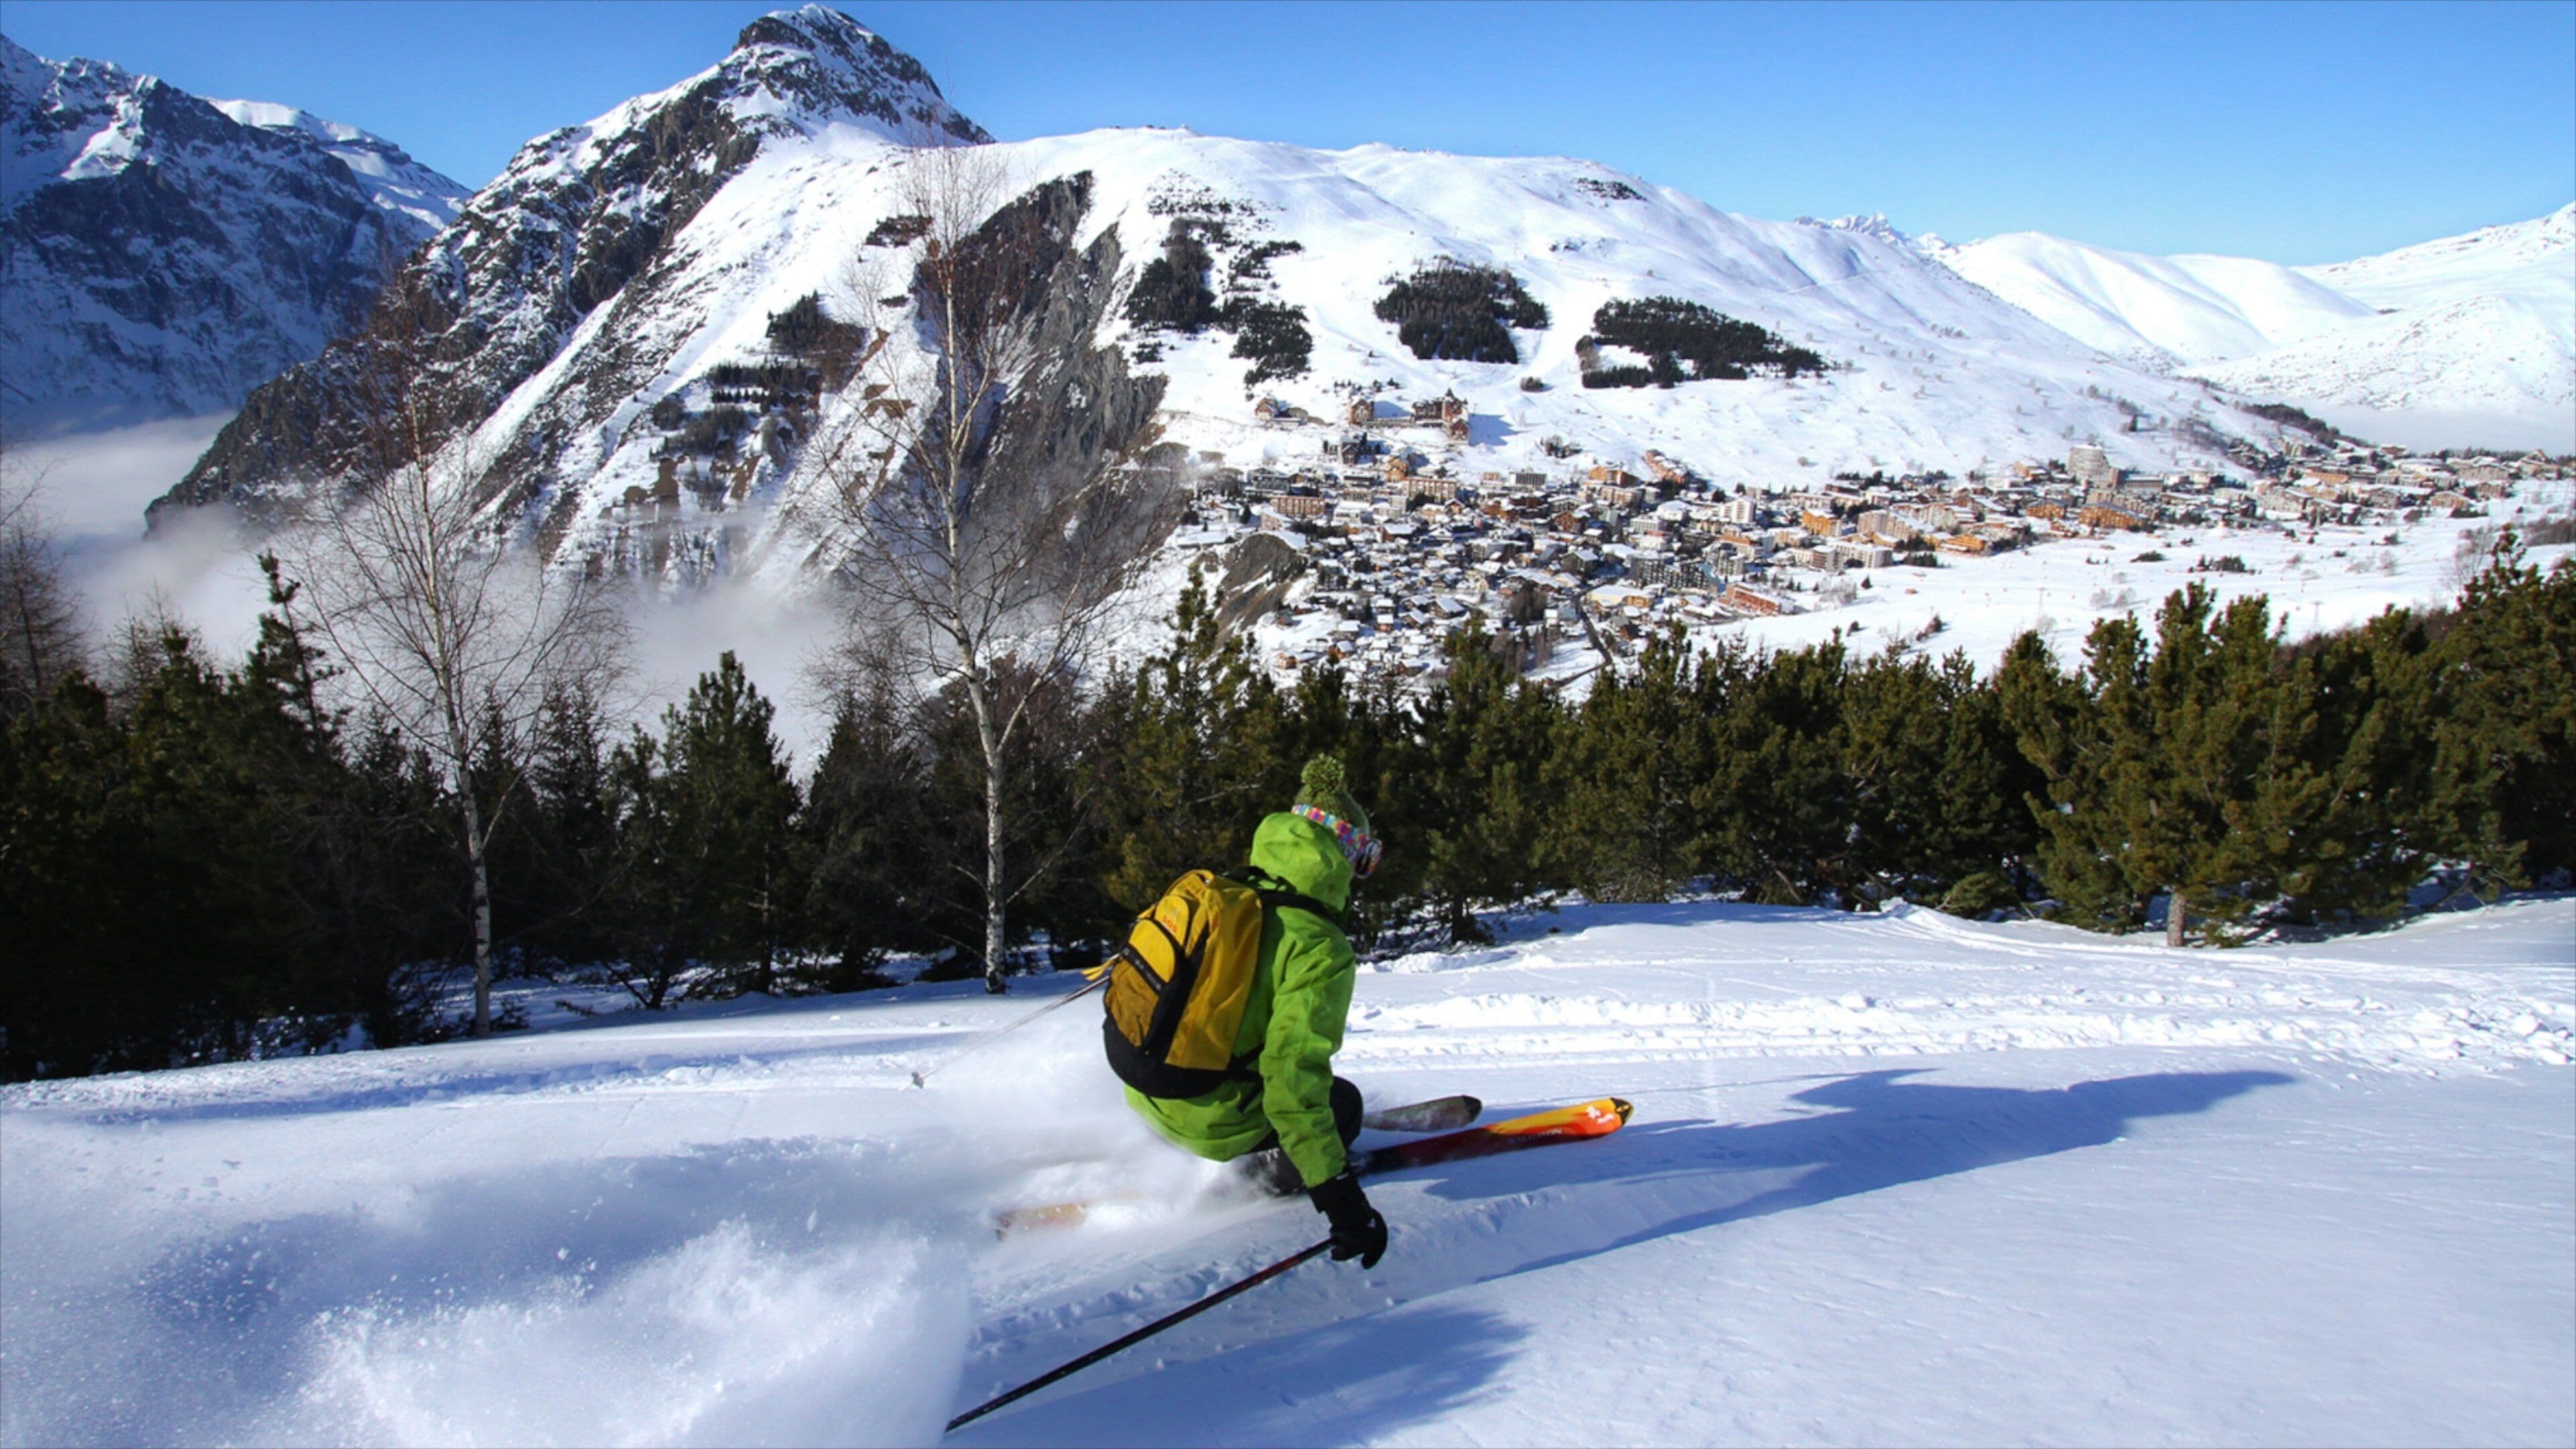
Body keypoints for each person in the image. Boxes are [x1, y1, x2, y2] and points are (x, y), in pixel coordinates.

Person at [1122, 755, 1389, 1269]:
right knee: (1343, 1105)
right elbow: (1292, 1077)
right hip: (1209, 1123)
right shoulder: (1318, 945)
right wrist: (1342, 1201)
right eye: (1365, 859)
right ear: (1344, 853)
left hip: (1144, 1095)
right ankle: (1272, 1166)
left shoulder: (1226, 893)